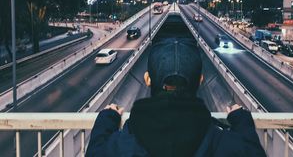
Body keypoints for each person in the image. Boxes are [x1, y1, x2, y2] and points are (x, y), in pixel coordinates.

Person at [86, 38, 266, 157]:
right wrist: (241, 121)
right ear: (201, 80)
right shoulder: (222, 144)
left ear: (147, 79)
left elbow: (95, 152)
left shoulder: (124, 145)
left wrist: (107, 119)